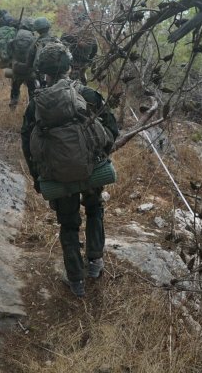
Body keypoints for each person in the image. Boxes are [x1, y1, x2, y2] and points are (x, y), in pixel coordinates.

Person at [21, 43, 119, 297]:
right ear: (69, 67)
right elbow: (112, 127)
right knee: (95, 208)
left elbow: (28, 146)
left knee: (68, 224)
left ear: (43, 72)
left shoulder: (36, 105)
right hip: (91, 169)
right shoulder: (87, 94)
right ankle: (95, 263)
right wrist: (98, 155)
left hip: (57, 177)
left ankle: (75, 280)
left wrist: (38, 178)